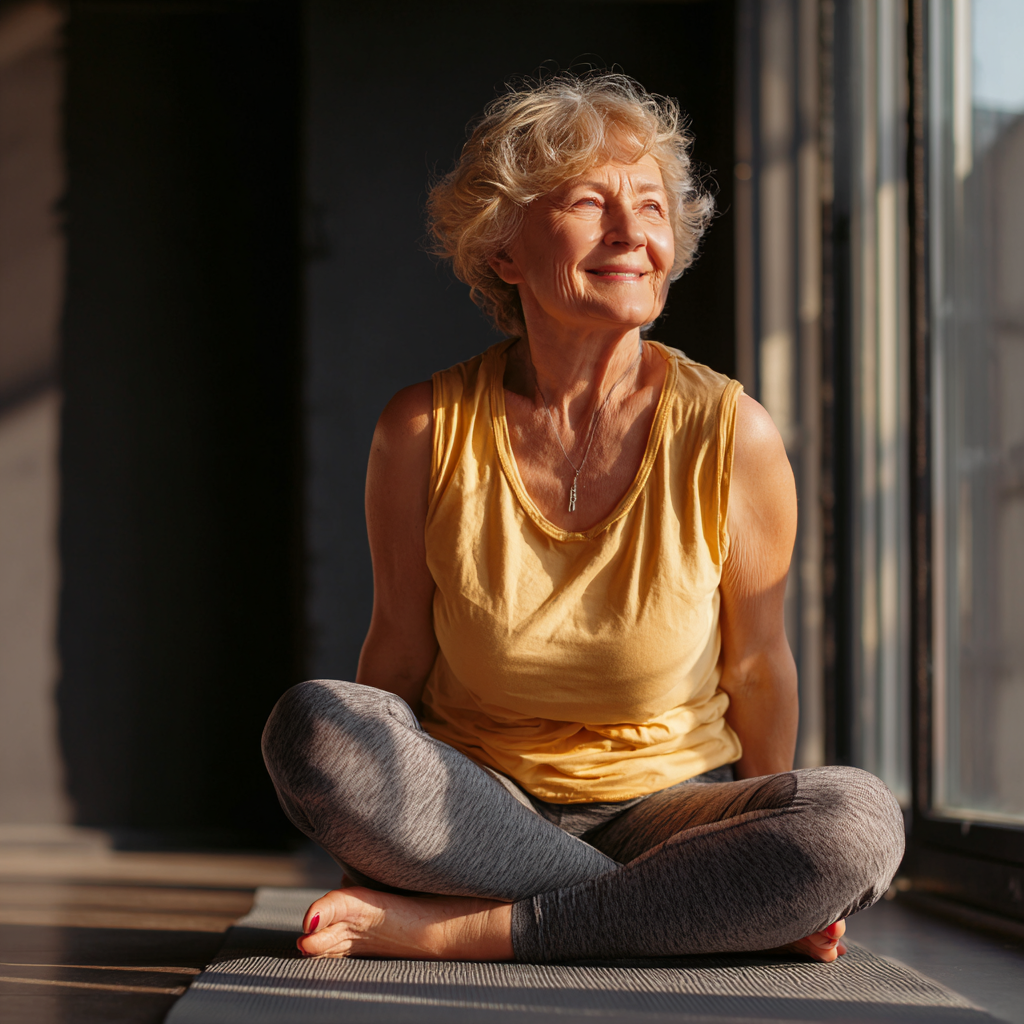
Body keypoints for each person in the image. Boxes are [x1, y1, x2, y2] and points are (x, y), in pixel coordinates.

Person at [262, 73, 904, 965]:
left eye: (651, 207)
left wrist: (775, 845)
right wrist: (372, 831)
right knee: (317, 726)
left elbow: (758, 666)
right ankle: (674, 918)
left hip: (675, 813)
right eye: (589, 204)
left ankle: (474, 933)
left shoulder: (733, 434)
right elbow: (397, 655)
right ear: (503, 247)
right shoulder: (421, 428)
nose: (633, 233)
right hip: (477, 808)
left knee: (855, 825)